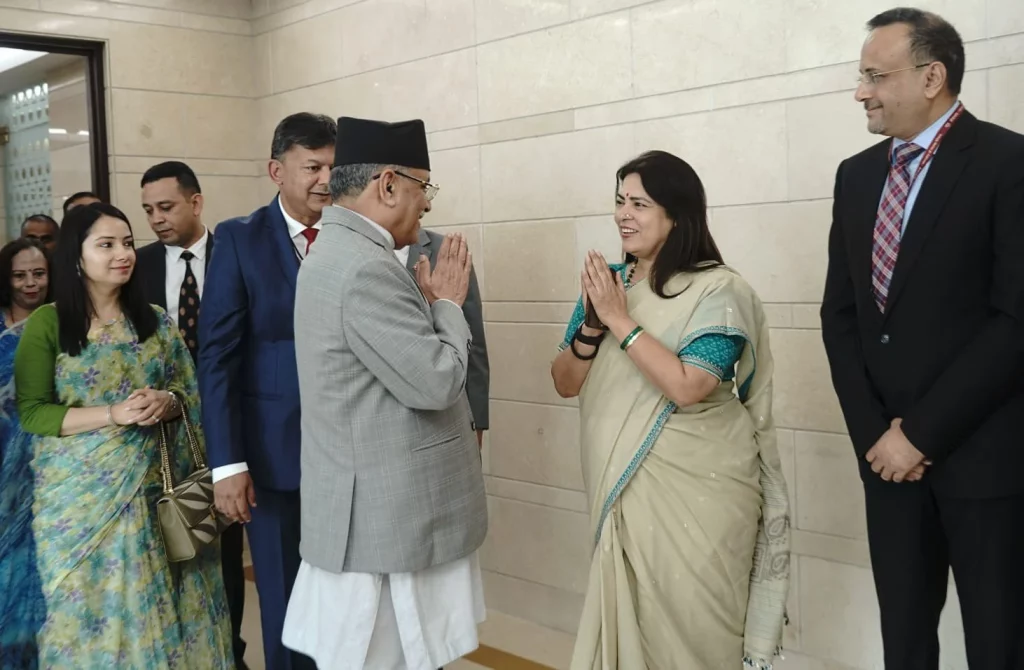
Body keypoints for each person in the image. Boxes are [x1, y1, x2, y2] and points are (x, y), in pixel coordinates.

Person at [820, 9, 1024, 669]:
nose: (861, 92)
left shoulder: (1008, 163)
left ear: (932, 77)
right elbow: (840, 316)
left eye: (876, 76)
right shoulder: (855, 175)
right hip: (887, 467)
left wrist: (920, 435)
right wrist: (877, 441)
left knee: (999, 644)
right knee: (904, 645)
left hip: (986, 462)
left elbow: (1015, 322)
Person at [550, 150, 789, 669]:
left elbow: (688, 386)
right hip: (624, 489)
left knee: (697, 632)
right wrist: (592, 325)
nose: (623, 214)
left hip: (703, 493)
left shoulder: (718, 289)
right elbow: (565, 381)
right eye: (620, 201)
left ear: (677, 216)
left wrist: (619, 320)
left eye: (640, 204)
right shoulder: (609, 286)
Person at [282, 116, 487, 669]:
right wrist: (447, 306)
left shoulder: (341, 251)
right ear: (389, 184)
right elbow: (437, 381)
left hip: (371, 505)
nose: (428, 205)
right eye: (424, 188)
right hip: (384, 516)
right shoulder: (363, 267)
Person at [11, 202, 233, 668]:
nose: (123, 254)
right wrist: (113, 414)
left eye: (128, 243)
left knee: (164, 607)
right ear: (76, 257)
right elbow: (32, 412)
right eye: (107, 245)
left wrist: (167, 402)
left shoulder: (154, 322)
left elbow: (189, 394)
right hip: (78, 503)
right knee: (83, 612)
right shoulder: (49, 324)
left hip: (156, 493)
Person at [200, 112, 335, 670]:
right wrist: (227, 464)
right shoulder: (239, 239)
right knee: (284, 603)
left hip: (349, 456)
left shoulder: (354, 234)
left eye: (334, 167)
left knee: (347, 604)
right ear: (277, 171)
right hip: (272, 456)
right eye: (313, 167)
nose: (326, 179)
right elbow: (218, 356)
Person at [136, 160, 248, 669]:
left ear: (196, 202)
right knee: (177, 544)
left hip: (232, 429)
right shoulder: (138, 267)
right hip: (165, 434)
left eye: (166, 207)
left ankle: (232, 652)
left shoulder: (236, 254)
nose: (156, 219)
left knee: (226, 548)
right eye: (148, 211)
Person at [0, 239, 51, 664]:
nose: (30, 283)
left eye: (39, 273)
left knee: (37, 560)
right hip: (2, 464)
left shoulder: (62, 322)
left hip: (48, 460)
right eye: (20, 275)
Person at [402, 230, 489, 446]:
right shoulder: (357, 250)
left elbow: (474, 345)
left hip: (440, 416)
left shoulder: (446, 250)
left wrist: (477, 422)